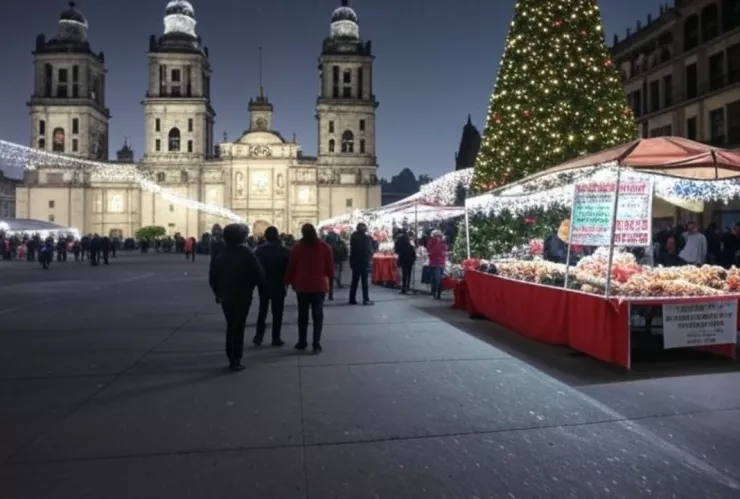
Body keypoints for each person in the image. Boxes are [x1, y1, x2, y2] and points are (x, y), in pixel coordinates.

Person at [209, 223, 267, 371]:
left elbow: (213, 276)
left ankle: (231, 357)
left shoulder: (220, 253)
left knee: (231, 325)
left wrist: (217, 293)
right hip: (242, 295)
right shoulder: (246, 252)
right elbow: (259, 274)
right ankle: (236, 359)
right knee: (239, 326)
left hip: (226, 296)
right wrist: (253, 286)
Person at [285, 223, 334, 353]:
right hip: (318, 286)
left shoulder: (297, 248)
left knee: (303, 314)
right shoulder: (324, 247)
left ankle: (302, 341)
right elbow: (330, 268)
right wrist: (331, 284)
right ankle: (316, 344)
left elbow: (291, 267)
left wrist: (287, 282)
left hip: (302, 286)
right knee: (318, 315)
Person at [254, 226, 290, 347]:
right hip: (279, 283)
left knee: (262, 310)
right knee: (278, 312)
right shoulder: (284, 251)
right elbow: (288, 268)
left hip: (263, 284)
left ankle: (258, 336)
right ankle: (276, 338)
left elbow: (255, 269)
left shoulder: (258, 251)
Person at [348, 222, 374, 306]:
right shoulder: (366, 238)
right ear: (364, 229)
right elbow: (368, 251)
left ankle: (352, 299)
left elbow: (352, 250)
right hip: (363, 263)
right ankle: (366, 299)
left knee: (354, 282)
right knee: (364, 282)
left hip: (355, 262)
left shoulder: (353, 237)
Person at [426, 230, 448, 299]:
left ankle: (434, 292)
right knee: (439, 278)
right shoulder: (442, 242)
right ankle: (438, 293)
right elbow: (445, 250)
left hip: (434, 262)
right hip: (440, 262)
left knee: (434, 278)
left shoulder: (431, 241)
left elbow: (429, 250)